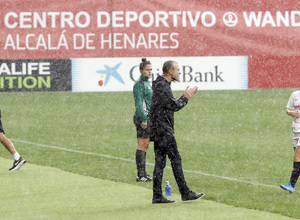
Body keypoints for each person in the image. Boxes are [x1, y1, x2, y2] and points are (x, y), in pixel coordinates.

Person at [150, 60, 205, 204]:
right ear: (170, 71)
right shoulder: (162, 85)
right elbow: (174, 106)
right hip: (163, 130)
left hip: (158, 130)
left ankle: (157, 195)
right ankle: (185, 193)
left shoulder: (160, 84)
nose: (179, 72)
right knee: (175, 160)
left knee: (160, 162)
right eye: (178, 69)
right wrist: (185, 97)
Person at [133, 58, 153, 182]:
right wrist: (144, 119)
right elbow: (140, 104)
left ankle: (143, 173)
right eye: (147, 70)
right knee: (142, 145)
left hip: (147, 117)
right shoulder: (139, 84)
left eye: (151, 70)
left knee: (145, 145)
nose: (150, 72)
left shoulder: (146, 82)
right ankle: (140, 175)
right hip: (142, 118)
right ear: (141, 70)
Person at [280, 89, 300, 193]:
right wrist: (292, 112)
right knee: (299, 159)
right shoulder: (295, 95)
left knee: (297, 156)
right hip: (296, 129)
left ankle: (291, 185)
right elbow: (288, 110)